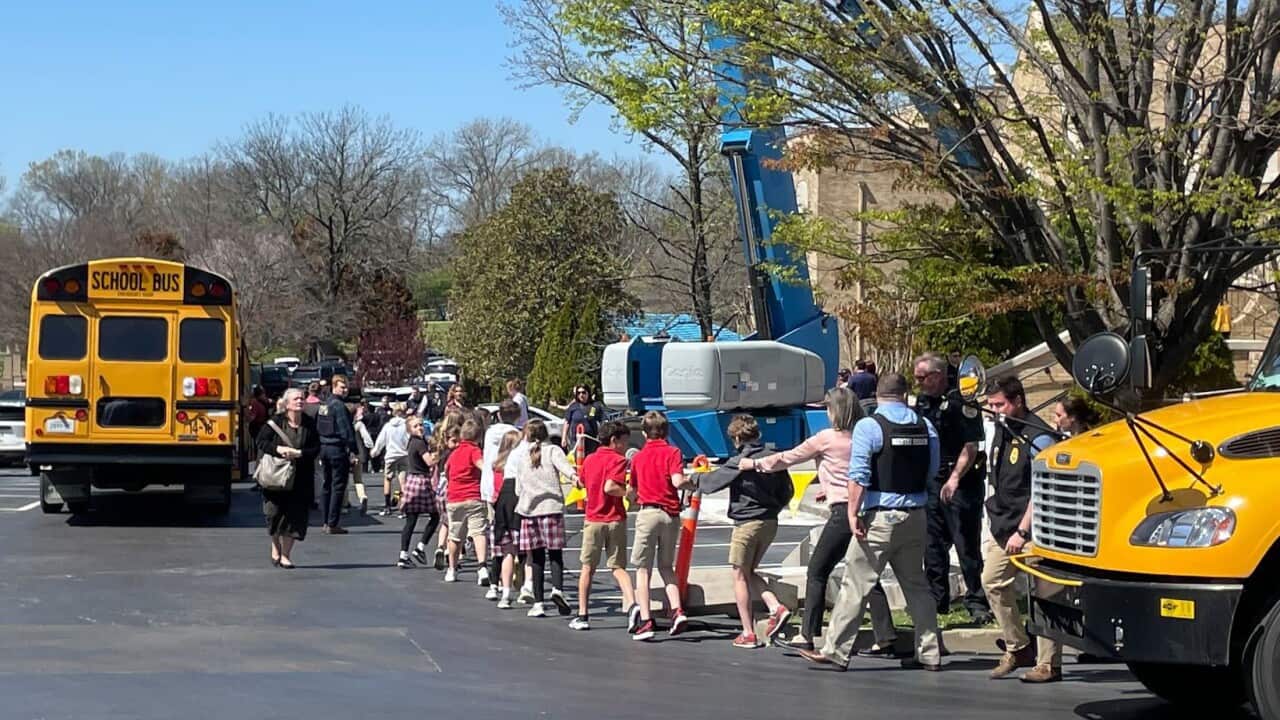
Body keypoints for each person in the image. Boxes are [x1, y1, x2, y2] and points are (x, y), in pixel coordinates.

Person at [796, 373, 942, 672]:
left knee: (855, 583)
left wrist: (853, 512)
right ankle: (930, 653)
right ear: (905, 394)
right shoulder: (924, 425)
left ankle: (836, 650)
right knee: (917, 586)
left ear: (878, 394)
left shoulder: (870, 426)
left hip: (881, 518)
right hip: (916, 514)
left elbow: (859, 476)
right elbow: (933, 468)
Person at [741, 387, 900, 655]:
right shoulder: (865, 438)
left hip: (841, 512)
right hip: (865, 510)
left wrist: (753, 465)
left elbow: (787, 458)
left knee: (817, 570)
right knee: (865, 572)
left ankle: (807, 634)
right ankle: (886, 634)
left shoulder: (826, 438)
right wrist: (827, 485)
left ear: (834, 411)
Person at [982, 375, 1062, 683]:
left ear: (1017, 401)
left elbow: (1042, 490)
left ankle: (1049, 664)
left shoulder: (1037, 436)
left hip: (1033, 530)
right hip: (1005, 525)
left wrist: (1023, 531)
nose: (994, 411)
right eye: (990, 405)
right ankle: (1019, 647)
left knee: (1045, 594)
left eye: (999, 404)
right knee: (992, 581)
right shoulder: (1004, 429)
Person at [700, 415, 793, 649]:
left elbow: (711, 483)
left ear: (738, 437)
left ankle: (749, 632)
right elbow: (788, 491)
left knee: (739, 575)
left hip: (747, 523)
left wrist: (692, 477)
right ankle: (775, 607)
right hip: (770, 521)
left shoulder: (740, 460)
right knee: (749, 571)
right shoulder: (772, 458)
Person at [914, 353, 992, 625]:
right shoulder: (923, 402)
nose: (919, 383)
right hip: (933, 481)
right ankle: (937, 600)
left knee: (966, 544)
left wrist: (955, 478)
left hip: (962, 482)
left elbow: (971, 446)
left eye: (923, 378)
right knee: (932, 545)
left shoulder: (962, 400)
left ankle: (977, 600)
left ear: (937, 375)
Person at [630, 410, 692, 641]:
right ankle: (677, 611)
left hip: (649, 512)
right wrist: (692, 485)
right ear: (666, 431)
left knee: (642, 569)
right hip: (670, 514)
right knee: (666, 566)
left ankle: (646, 620)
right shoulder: (673, 452)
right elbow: (678, 481)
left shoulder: (638, 457)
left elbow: (633, 491)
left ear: (645, 432)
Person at [571, 421, 639, 632]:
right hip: (615, 518)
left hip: (593, 519)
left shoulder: (590, 459)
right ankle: (632, 604)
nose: (626, 446)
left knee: (587, 568)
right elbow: (610, 486)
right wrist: (627, 493)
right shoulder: (618, 460)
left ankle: (582, 614)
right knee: (618, 567)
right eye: (624, 441)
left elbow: (581, 482)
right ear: (614, 441)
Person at [508, 419, 577, 618]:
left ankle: (538, 603)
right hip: (551, 508)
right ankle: (557, 589)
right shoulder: (553, 451)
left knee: (536, 558)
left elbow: (518, 488)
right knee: (555, 555)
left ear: (527, 435)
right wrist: (574, 478)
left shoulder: (523, 457)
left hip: (529, 511)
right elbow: (565, 468)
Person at [256, 388, 320, 570]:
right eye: (296, 399)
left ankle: (286, 555)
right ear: (286, 403)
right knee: (274, 514)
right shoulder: (275, 422)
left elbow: (316, 448)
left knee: (295, 517)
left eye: (302, 398)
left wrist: (299, 453)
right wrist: (279, 450)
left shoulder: (309, 423)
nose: (300, 401)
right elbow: (261, 442)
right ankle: (275, 545)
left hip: (300, 478)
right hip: (277, 477)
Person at [444, 417, 489, 584]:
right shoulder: (474, 450)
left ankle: (452, 569)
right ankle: (482, 567)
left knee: (455, 536)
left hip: (454, 497)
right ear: (478, 437)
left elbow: (447, 472)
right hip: (473, 496)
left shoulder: (454, 453)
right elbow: (482, 465)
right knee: (478, 532)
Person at [396, 416, 443, 569]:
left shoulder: (412, 442)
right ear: (410, 429)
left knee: (411, 520)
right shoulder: (420, 443)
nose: (420, 428)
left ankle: (403, 554)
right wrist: (441, 452)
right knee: (435, 515)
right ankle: (420, 547)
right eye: (416, 426)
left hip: (412, 480)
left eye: (421, 425)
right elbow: (429, 461)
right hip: (421, 481)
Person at [316, 374, 358, 534]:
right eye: (342, 387)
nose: (345, 390)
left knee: (327, 485)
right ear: (334, 387)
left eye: (346, 387)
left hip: (324, 447)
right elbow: (346, 430)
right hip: (337, 449)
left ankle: (326, 521)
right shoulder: (339, 406)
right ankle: (333, 523)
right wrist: (354, 450)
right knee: (338, 486)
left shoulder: (324, 405)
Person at [487, 429, 524, 607]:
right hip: (514, 504)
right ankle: (521, 582)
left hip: (498, 505)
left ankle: (495, 584)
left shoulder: (498, 465)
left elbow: (495, 488)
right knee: (518, 548)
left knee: (499, 551)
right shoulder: (515, 465)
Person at [372, 404, 410, 516]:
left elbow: (381, 441)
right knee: (403, 482)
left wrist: (375, 451)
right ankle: (403, 507)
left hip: (391, 455)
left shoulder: (388, 426)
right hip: (403, 455)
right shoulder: (406, 426)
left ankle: (387, 506)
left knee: (388, 479)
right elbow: (409, 439)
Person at [482, 400, 521, 506]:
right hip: (508, 486)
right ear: (518, 416)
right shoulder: (517, 435)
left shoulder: (489, 432)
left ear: (499, 415)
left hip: (488, 485)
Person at [562, 384, 607, 455]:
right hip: (575, 441)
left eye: (583, 392)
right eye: (579, 393)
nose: (581, 395)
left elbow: (603, 421)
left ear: (588, 393)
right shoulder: (573, 407)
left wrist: (602, 436)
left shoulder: (594, 406)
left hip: (591, 441)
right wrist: (564, 438)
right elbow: (567, 422)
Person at [348, 403, 373, 516]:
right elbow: (367, 439)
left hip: (346, 455)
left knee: (344, 480)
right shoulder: (359, 424)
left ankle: (344, 503)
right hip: (358, 454)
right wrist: (370, 447)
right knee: (358, 479)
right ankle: (362, 496)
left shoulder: (344, 424)